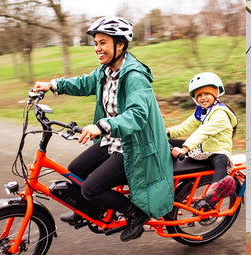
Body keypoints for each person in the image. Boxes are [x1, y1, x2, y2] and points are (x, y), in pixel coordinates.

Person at [32, 16, 174, 242]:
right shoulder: (106, 71)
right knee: (75, 169)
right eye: (95, 43)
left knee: (90, 188)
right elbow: (84, 83)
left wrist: (102, 126)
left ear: (120, 45)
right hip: (113, 141)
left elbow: (137, 115)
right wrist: (52, 85)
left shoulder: (135, 76)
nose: (97, 48)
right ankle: (94, 212)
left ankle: (134, 213)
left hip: (134, 147)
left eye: (103, 42)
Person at [167, 72, 237, 207]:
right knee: (168, 144)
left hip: (216, 151)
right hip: (202, 150)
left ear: (216, 93)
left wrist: (184, 149)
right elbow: (185, 127)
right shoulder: (201, 111)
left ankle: (215, 191)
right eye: (199, 95)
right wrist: (167, 132)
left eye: (207, 94)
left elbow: (202, 132)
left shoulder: (221, 114)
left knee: (221, 160)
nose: (202, 98)